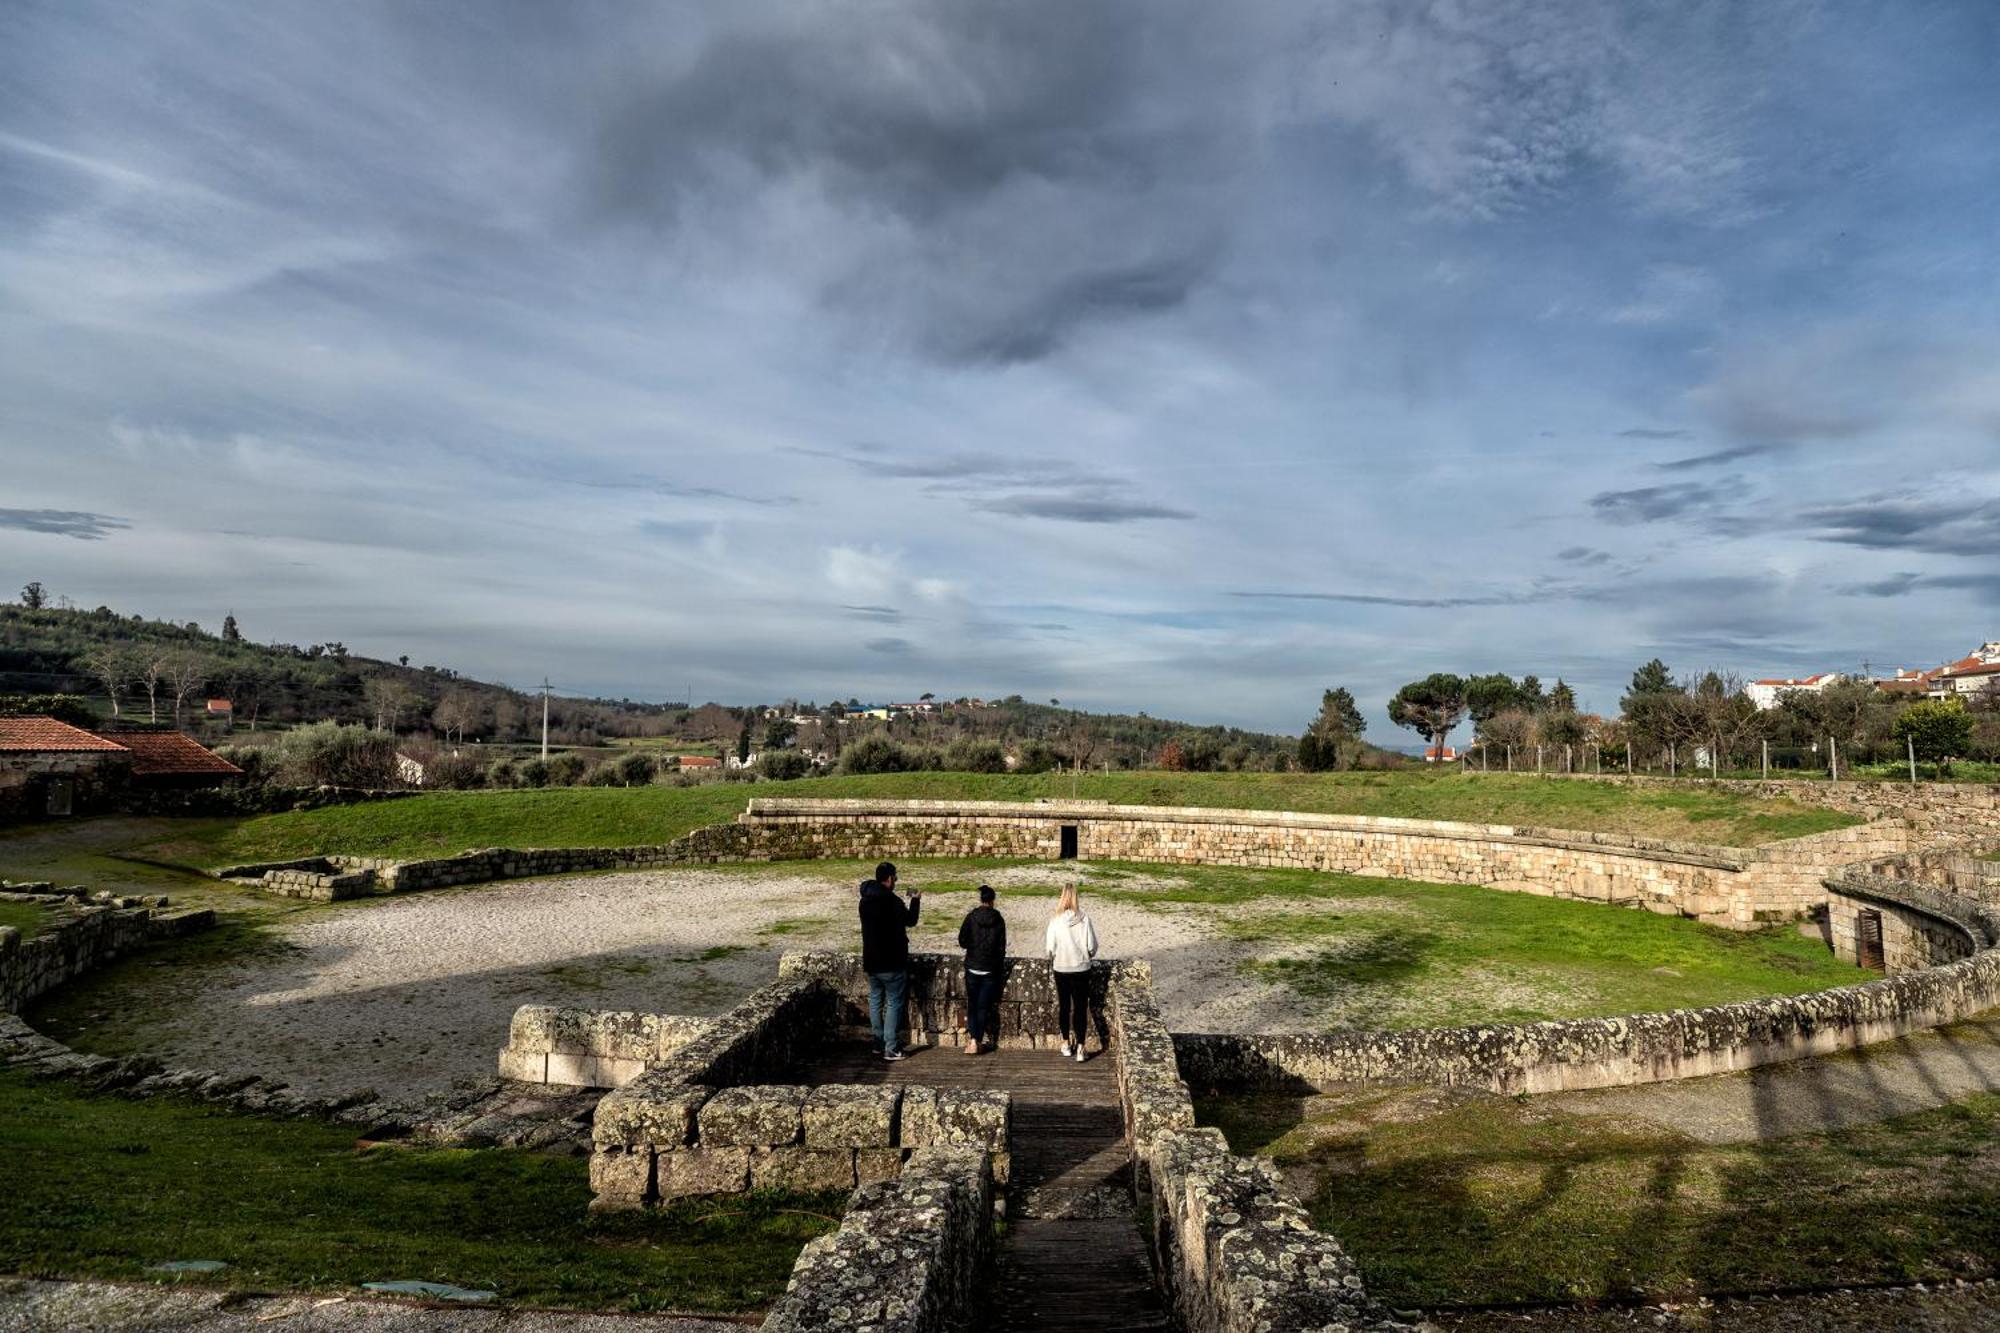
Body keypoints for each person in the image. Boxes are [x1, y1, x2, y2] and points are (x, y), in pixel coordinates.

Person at [858, 861, 920, 1061]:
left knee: (876, 1000)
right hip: (891, 961)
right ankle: (891, 1047)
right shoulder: (892, 902)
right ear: (889, 878)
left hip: (871, 960)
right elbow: (910, 920)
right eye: (895, 877)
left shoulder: (865, 900)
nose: (896, 880)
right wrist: (916, 900)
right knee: (894, 1002)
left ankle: (878, 1042)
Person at [1044, 884, 1098, 1062]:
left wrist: (1057, 955)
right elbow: (1092, 946)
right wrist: (1085, 954)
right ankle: (1081, 1047)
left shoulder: (1055, 920)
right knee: (1081, 1008)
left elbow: (1050, 949)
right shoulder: (1084, 919)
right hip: (1081, 967)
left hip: (1062, 967)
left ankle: (1066, 1043)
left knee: (1064, 1006)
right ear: (1076, 897)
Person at [957, 885, 1006, 1055]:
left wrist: (973, 946)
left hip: (972, 966)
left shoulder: (971, 917)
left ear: (981, 899)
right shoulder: (998, 919)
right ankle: (977, 1041)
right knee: (983, 1006)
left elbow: (962, 940)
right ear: (992, 901)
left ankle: (972, 1040)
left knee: (973, 1005)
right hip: (989, 969)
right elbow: (1001, 948)